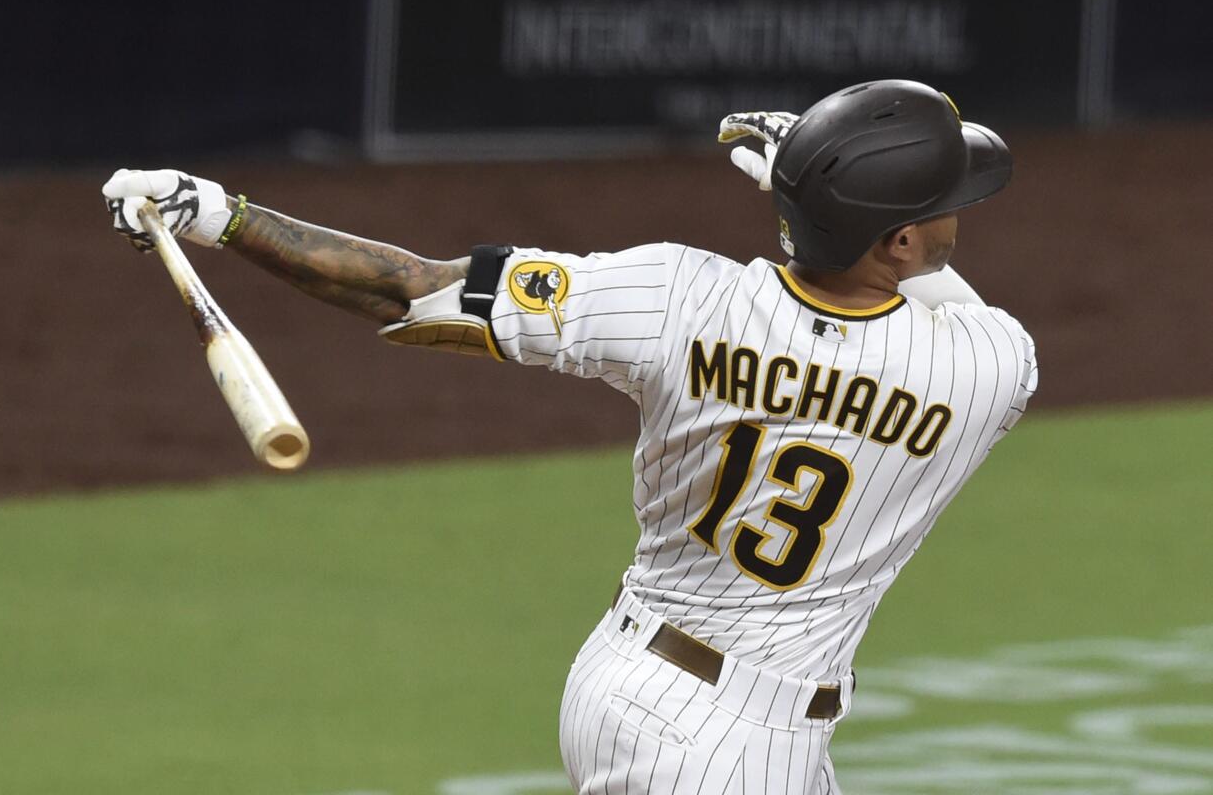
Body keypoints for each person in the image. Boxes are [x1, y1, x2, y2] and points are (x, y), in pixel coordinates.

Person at [103, 79, 1037, 794]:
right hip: (713, 746)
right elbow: (925, 291)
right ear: (903, 245)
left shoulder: (677, 297)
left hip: (644, 682)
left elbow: (411, 288)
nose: (964, 209)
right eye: (947, 201)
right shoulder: (988, 367)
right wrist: (800, 189)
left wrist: (224, 216)